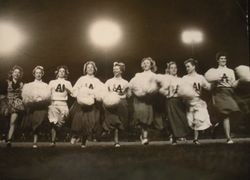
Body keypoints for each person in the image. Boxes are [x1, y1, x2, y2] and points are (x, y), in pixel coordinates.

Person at [70, 61, 105, 148]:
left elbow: (101, 91)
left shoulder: (97, 81)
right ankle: (75, 135)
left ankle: (83, 142)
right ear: (85, 69)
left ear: (94, 69)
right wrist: (79, 94)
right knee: (79, 121)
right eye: (88, 67)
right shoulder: (81, 79)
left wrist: (96, 95)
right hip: (81, 103)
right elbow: (75, 89)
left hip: (91, 104)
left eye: (91, 67)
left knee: (89, 122)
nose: (90, 69)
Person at [211, 52, 240, 144]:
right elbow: (212, 86)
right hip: (220, 93)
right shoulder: (215, 71)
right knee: (226, 115)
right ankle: (228, 138)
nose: (223, 60)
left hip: (229, 92)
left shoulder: (231, 71)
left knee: (236, 112)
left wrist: (240, 80)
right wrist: (213, 98)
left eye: (225, 58)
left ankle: (218, 126)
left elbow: (233, 84)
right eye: (221, 58)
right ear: (217, 60)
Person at [181, 58, 211, 144]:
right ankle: (182, 137)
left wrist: (214, 82)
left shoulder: (200, 77)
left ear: (193, 67)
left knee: (198, 119)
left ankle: (195, 139)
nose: (187, 68)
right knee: (189, 121)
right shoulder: (184, 78)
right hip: (187, 102)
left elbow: (208, 87)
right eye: (186, 67)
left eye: (188, 66)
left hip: (197, 101)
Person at [129, 57, 158, 145]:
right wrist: (133, 91)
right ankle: (144, 137)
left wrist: (150, 92)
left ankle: (144, 136)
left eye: (147, 63)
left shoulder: (154, 76)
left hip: (148, 100)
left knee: (146, 119)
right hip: (138, 100)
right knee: (141, 119)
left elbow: (155, 87)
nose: (145, 64)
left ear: (151, 65)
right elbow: (131, 84)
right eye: (144, 63)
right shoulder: (138, 75)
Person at [21, 66, 50, 148]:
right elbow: (26, 96)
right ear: (34, 74)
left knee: (38, 123)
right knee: (33, 124)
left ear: (42, 74)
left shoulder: (45, 85)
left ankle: (35, 141)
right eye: (37, 73)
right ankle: (34, 141)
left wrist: (41, 99)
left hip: (41, 107)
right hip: (33, 107)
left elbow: (47, 96)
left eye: (40, 73)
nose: (38, 74)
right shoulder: (29, 85)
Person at [162, 61, 190, 145]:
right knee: (172, 119)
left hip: (180, 101)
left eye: (175, 68)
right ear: (169, 70)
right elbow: (163, 90)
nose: (174, 69)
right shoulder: (166, 79)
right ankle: (173, 137)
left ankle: (181, 136)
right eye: (172, 68)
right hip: (170, 101)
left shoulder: (180, 79)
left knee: (182, 118)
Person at [103, 62, 129, 147]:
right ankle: (116, 140)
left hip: (122, 102)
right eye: (114, 69)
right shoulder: (109, 81)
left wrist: (127, 92)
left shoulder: (125, 82)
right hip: (112, 103)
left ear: (121, 71)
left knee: (122, 121)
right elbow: (105, 92)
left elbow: (128, 94)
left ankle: (116, 137)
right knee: (114, 121)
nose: (115, 71)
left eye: (117, 69)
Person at [48, 65, 73, 147]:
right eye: (60, 71)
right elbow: (47, 93)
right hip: (54, 103)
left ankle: (64, 135)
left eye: (63, 71)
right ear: (57, 73)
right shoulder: (52, 82)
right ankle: (53, 141)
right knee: (53, 122)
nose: (61, 73)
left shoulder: (68, 83)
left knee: (61, 122)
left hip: (63, 103)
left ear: (65, 73)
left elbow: (73, 93)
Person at [3, 65, 25, 147]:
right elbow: (2, 93)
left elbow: (23, 95)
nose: (17, 74)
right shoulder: (6, 82)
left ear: (20, 75)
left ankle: (9, 140)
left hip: (16, 104)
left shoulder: (22, 84)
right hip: (6, 103)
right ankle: (4, 135)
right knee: (5, 122)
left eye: (18, 73)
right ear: (12, 73)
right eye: (15, 72)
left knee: (13, 122)